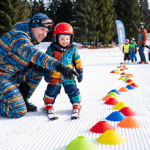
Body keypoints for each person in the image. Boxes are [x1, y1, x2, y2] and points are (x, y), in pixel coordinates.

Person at [0, 13, 78, 118]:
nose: (44, 34)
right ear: (33, 26)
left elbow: (37, 59)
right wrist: (59, 66)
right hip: (2, 76)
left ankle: (23, 99)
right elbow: (34, 54)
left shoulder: (31, 38)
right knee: (18, 110)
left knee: (39, 68)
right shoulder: (18, 36)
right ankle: (15, 104)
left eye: (46, 31)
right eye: (42, 29)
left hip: (9, 74)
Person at [43, 23, 83, 119]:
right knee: (52, 90)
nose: (65, 41)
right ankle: (48, 104)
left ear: (71, 38)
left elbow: (77, 61)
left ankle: (76, 103)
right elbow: (46, 61)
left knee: (72, 89)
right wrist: (46, 72)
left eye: (67, 39)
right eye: (62, 38)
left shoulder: (73, 49)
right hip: (55, 76)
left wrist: (80, 72)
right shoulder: (51, 49)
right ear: (56, 38)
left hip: (69, 76)